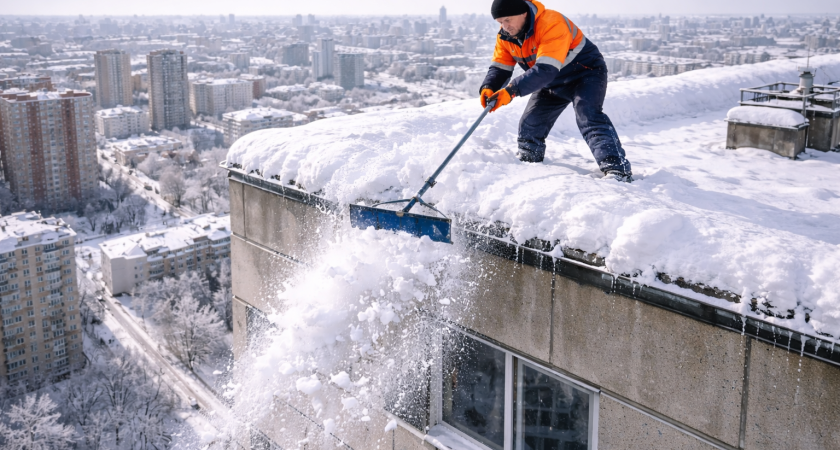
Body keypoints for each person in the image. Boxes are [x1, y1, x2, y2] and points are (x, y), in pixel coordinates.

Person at [480, 0, 633, 182]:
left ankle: (617, 169)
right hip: (551, 81)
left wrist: (511, 91)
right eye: (500, 22)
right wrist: (489, 87)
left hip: (584, 74)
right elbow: (500, 68)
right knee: (530, 123)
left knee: (589, 115)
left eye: (508, 20)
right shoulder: (506, 37)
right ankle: (529, 162)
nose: (505, 27)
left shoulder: (551, 22)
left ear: (523, 13)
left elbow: (546, 69)